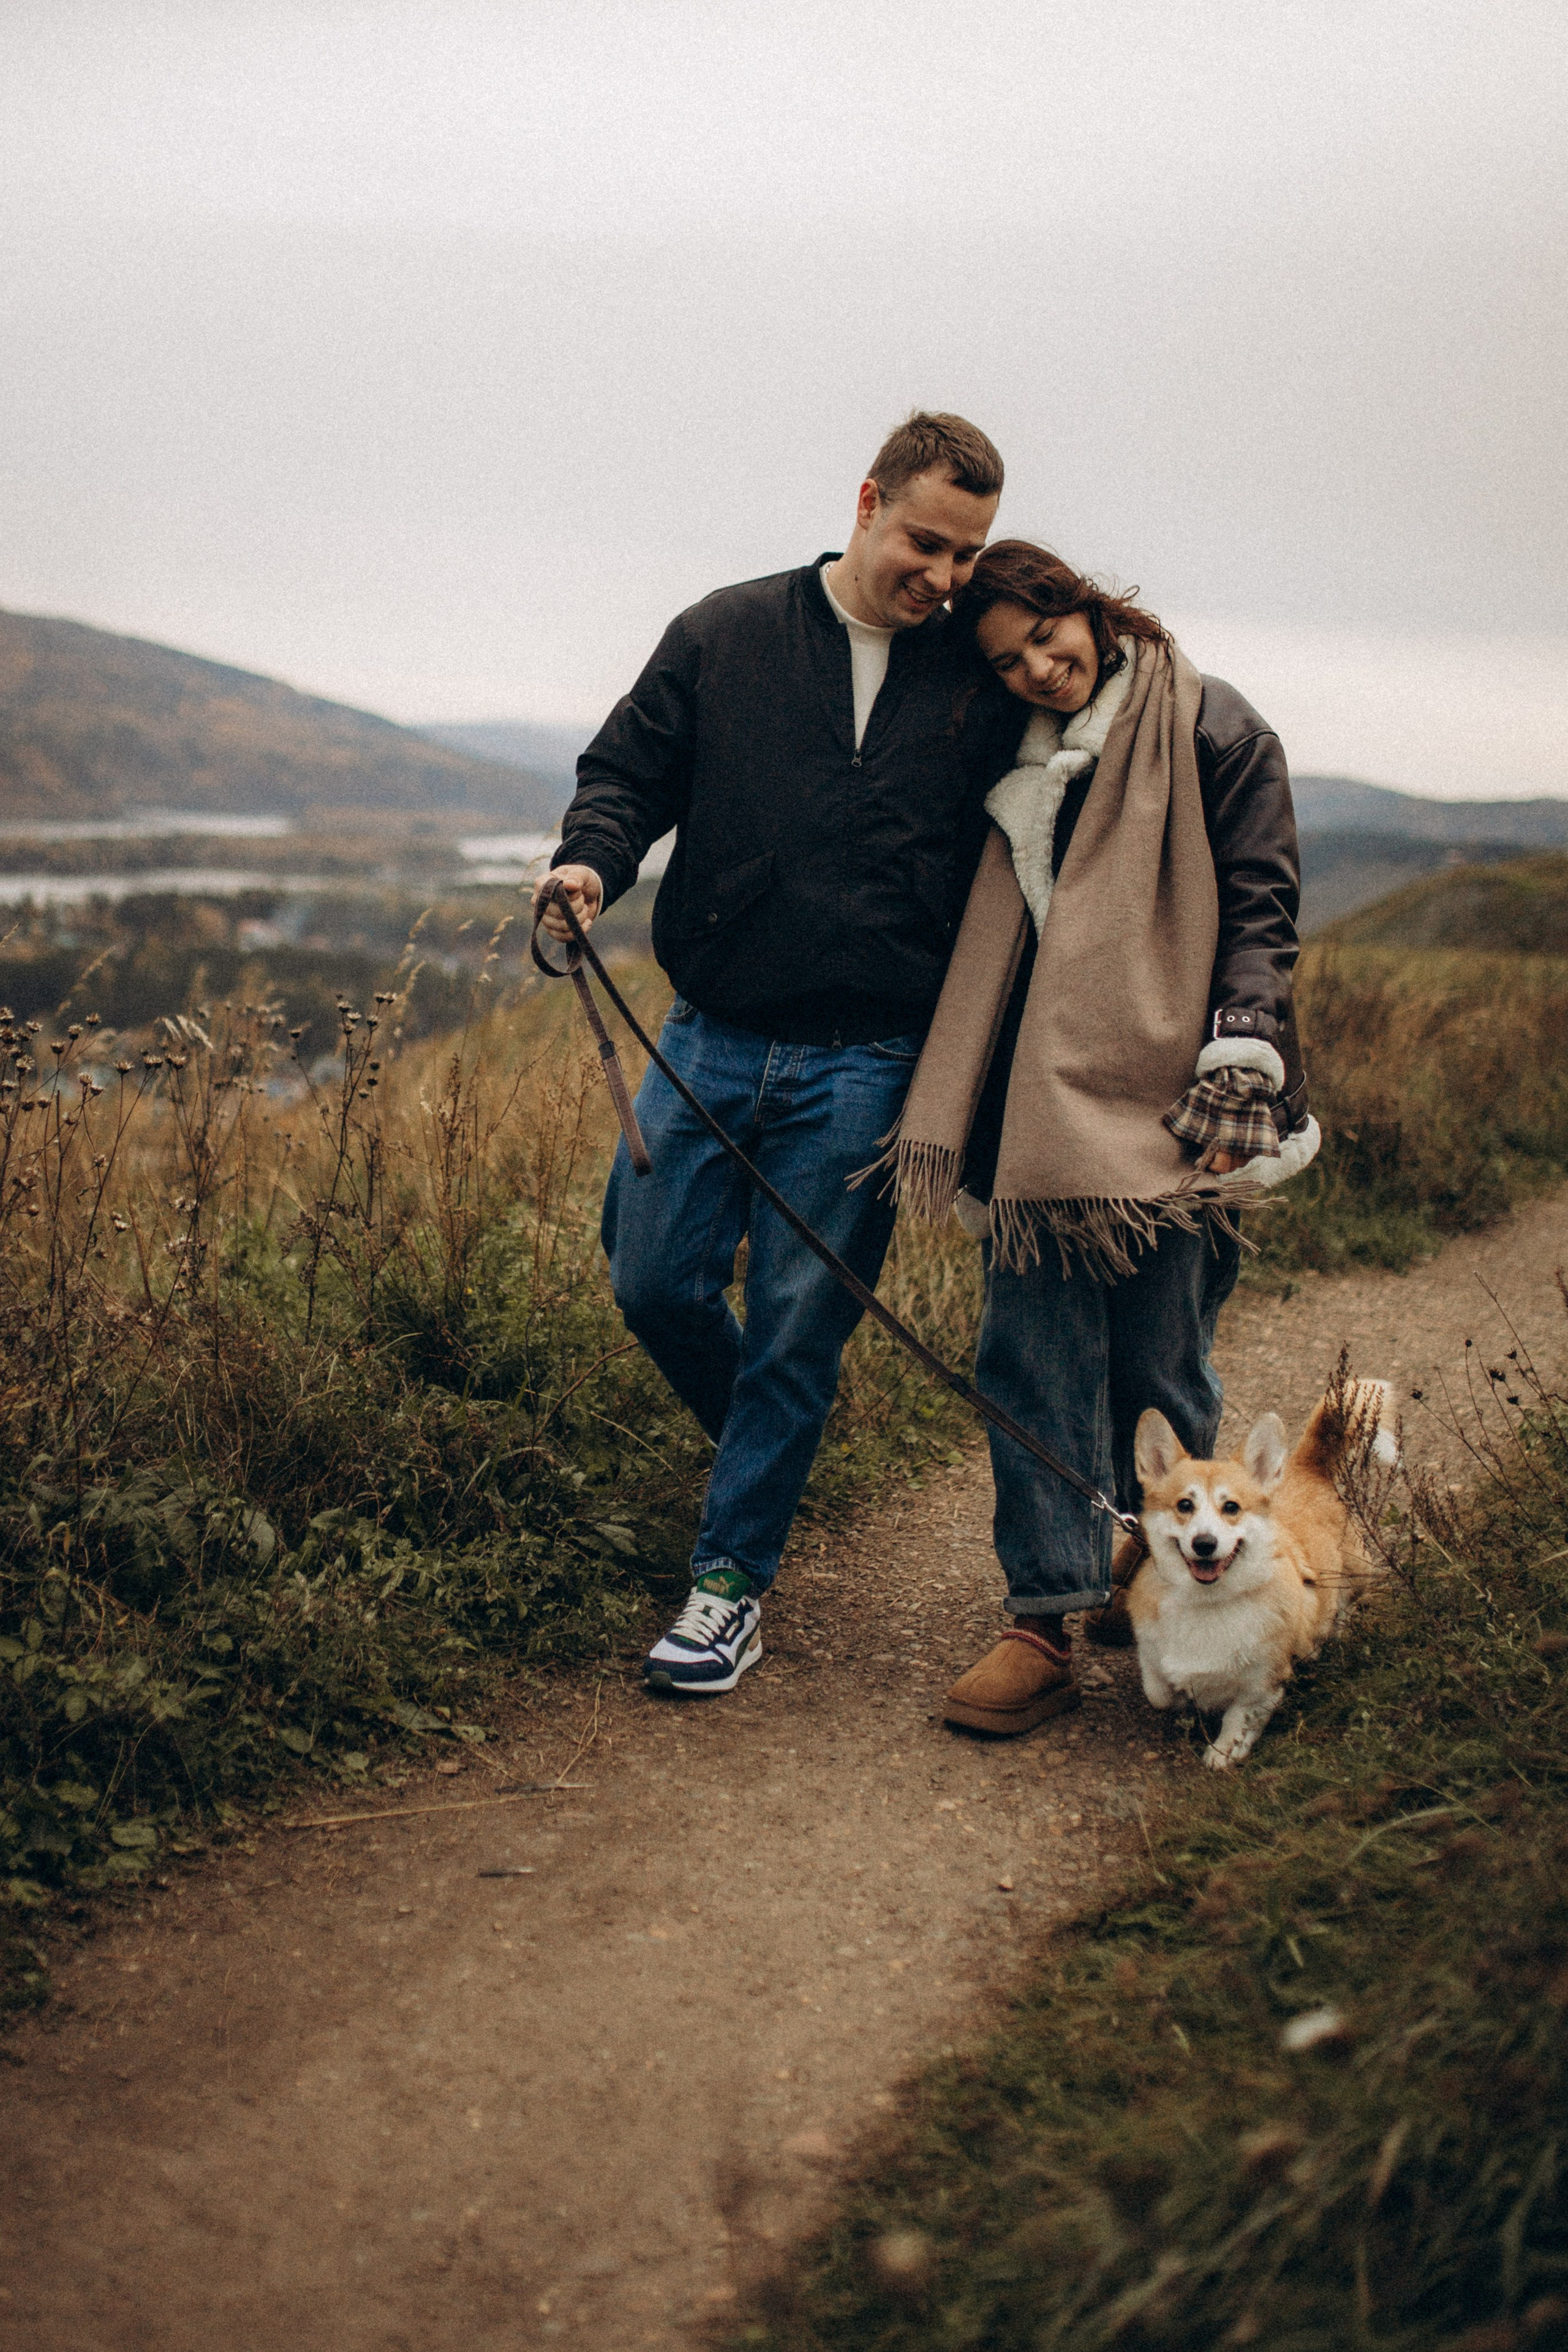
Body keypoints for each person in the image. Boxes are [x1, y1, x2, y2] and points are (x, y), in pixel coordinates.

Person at [535, 412, 1008, 1697]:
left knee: (799, 1328)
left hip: (868, 1065)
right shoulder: (723, 632)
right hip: (706, 1042)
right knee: (650, 1282)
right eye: (925, 542)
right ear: (865, 503)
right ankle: (777, 1433)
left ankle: (727, 1588)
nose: (944, 577)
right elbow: (627, 775)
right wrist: (590, 860)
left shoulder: (974, 671)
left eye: (967, 556)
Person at [883, 540, 1320, 1737]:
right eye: (1007, 657)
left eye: (1045, 632)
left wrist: (1241, 1062)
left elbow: (1259, 901)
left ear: (1089, 606)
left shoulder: (1209, 723)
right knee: (1027, 1359)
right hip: (1028, 1118)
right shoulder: (1004, 761)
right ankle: (1043, 1614)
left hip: (1174, 1109)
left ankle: (1155, 1588)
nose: (1037, 665)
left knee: (1158, 1370)